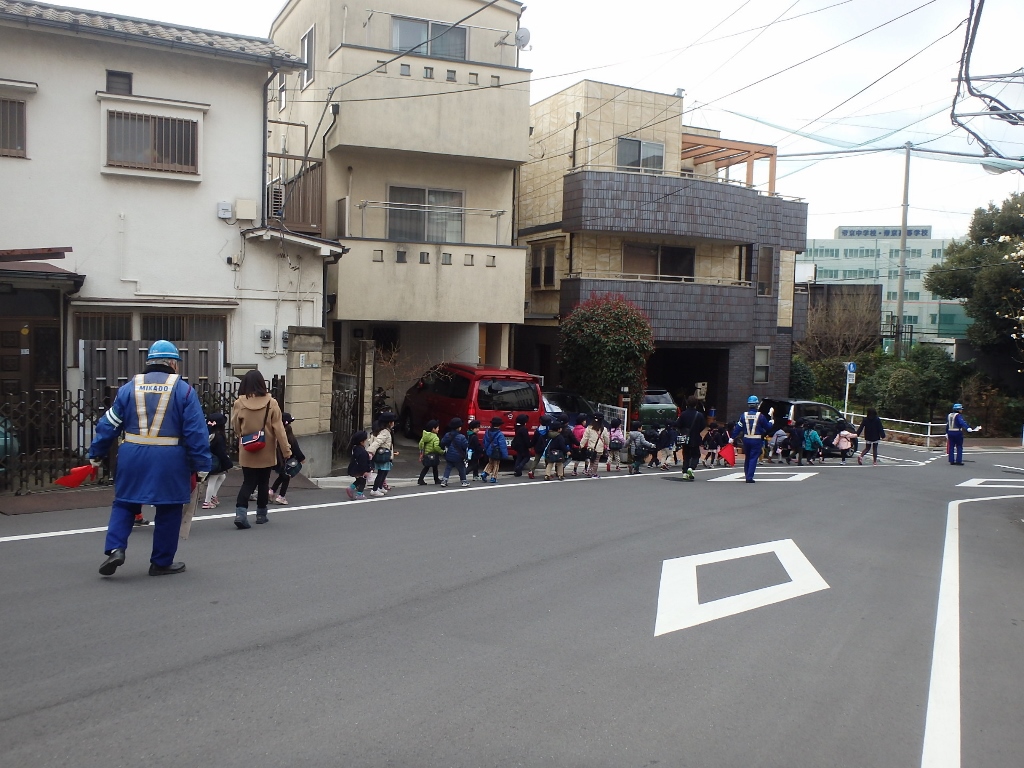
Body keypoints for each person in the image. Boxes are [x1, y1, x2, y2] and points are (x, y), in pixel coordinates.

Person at [89, 340, 211, 577]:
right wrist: (202, 464)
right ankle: (161, 562)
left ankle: (115, 549)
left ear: (149, 362)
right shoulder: (184, 390)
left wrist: (96, 453)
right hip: (169, 458)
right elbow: (196, 432)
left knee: (124, 503)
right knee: (169, 508)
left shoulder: (128, 389)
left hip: (132, 455)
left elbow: (108, 424)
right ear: (173, 363)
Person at [232, 370, 291, 528]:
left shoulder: (239, 403)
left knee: (248, 482)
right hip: (266, 449)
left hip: (247, 448)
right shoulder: (271, 403)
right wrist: (286, 450)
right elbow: (279, 429)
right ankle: (261, 514)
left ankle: (240, 514)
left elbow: (236, 427)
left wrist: (243, 435)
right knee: (264, 482)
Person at [731, 395, 772, 483]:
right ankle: (749, 477)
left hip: (746, 439)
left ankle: (747, 475)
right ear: (757, 405)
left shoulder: (743, 415)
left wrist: (732, 437)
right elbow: (767, 427)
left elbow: (738, 428)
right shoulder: (760, 416)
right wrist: (771, 422)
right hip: (756, 440)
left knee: (748, 457)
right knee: (753, 458)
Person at [269, 412, 304, 505]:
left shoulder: (276, 435)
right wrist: (302, 458)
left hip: (278, 461)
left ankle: (271, 491)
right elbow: (296, 449)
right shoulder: (290, 437)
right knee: (286, 478)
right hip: (287, 461)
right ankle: (281, 496)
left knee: (281, 477)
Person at [202, 412, 233, 509]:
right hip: (216, 462)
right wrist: (227, 462)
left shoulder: (211, 434)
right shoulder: (219, 436)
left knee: (222, 477)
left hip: (210, 460)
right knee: (213, 480)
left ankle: (212, 496)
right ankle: (207, 501)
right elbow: (221, 452)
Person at [676, 397, 707, 481]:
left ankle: (685, 473)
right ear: (696, 404)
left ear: (687, 404)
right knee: (696, 455)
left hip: (685, 438)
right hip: (695, 437)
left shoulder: (683, 414)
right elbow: (703, 426)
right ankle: (691, 467)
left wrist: (683, 431)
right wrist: (697, 430)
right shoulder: (699, 415)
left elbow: (678, 424)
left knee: (686, 455)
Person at [367, 412, 397, 496]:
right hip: (383, 456)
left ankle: (380, 487)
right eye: (392, 421)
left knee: (384, 472)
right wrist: (370, 451)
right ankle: (375, 489)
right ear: (389, 423)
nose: (393, 423)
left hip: (386, 455)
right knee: (381, 473)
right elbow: (378, 442)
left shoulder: (386, 431)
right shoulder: (385, 432)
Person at [440, 417, 470, 487]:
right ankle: (464, 481)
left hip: (449, 455)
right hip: (458, 457)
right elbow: (465, 445)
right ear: (458, 428)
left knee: (448, 468)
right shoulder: (461, 437)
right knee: (461, 468)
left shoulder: (447, 435)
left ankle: (444, 480)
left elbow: (442, 442)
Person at [579, 413, 610, 478]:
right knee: (596, 461)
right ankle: (594, 473)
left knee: (591, 460)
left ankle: (590, 471)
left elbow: (585, 438)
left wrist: (581, 445)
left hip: (591, 448)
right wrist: (607, 444)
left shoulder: (589, 428)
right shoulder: (603, 429)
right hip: (599, 448)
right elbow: (606, 439)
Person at [481, 416, 509, 483]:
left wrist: (486, 449)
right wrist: (505, 455)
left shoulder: (487, 432)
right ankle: (493, 477)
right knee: (496, 464)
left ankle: (484, 473)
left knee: (490, 462)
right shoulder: (500, 434)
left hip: (489, 450)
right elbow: (502, 445)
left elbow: (484, 441)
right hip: (496, 451)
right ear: (499, 425)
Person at [346, 431, 372, 500]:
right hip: (361, 470)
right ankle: (359, 494)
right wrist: (367, 470)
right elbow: (363, 463)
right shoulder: (363, 452)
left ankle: (351, 488)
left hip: (354, 468)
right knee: (362, 482)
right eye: (365, 440)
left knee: (358, 480)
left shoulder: (355, 449)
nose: (367, 441)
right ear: (361, 442)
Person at [417, 419, 444, 485]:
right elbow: (436, 447)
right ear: (433, 429)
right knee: (435, 467)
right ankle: (436, 480)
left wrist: (422, 451)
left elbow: (420, 444)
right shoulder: (435, 437)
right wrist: (442, 451)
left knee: (426, 467)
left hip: (426, 454)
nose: (438, 429)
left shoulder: (425, 436)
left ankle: (420, 479)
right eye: (437, 428)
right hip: (434, 454)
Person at [526, 415, 553, 479]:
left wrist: (531, 446)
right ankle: (548, 473)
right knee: (548, 460)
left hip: (538, 447)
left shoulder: (538, 430)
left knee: (536, 460)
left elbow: (534, 440)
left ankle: (531, 471)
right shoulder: (549, 430)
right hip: (547, 447)